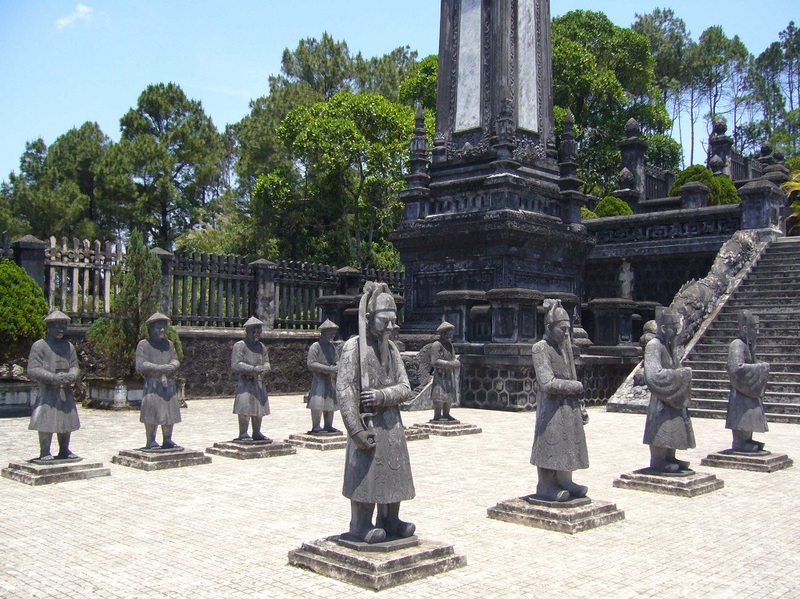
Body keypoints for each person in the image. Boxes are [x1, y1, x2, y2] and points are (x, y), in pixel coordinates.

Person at [337, 282, 415, 544]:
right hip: (366, 424)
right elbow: (345, 390)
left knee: (394, 471)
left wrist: (382, 395)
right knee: (366, 474)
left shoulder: (393, 350)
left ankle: (390, 518)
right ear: (370, 318)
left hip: (391, 424)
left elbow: (405, 387)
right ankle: (359, 523)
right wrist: (355, 429)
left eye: (394, 321)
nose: (391, 327)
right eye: (385, 320)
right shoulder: (353, 347)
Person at [530, 299, 589, 502]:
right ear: (549, 327)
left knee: (568, 443)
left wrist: (580, 405)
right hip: (551, 407)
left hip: (568, 406)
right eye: (562, 329)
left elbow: (570, 374)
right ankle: (546, 485)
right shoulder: (540, 348)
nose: (566, 334)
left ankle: (566, 480)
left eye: (568, 329)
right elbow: (547, 382)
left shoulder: (564, 347)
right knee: (550, 443)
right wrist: (574, 387)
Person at [642, 308, 695, 473]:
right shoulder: (654, 346)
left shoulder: (669, 345)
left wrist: (679, 376)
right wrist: (681, 375)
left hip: (673, 395)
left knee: (674, 425)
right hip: (660, 398)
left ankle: (670, 456)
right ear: (664, 328)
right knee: (661, 427)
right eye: (674, 327)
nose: (677, 331)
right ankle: (658, 460)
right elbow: (652, 375)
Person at [27, 310, 81, 461]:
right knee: (46, 419)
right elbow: (33, 369)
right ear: (49, 327)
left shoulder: (69, 346)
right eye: (57, 326)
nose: (61, 329)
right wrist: (52, 378)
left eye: (63, 326)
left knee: (66, 419)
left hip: (65, 389)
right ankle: (44, 451)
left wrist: (72, 375)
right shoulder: (39, 346)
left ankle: (64, 449)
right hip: (48, 389)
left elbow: (75, 365)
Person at [726, 310, 770, 453]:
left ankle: (747, 438)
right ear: (745, 328)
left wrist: (759, 366)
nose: (757, 332)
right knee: (742, 414)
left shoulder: (749, 345)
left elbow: (751, 363)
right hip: (740, 390)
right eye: (755, 328)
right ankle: (739, 441)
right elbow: (736, 369)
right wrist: (760, 368)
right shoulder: (737, 344)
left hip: (748, 390)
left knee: (750, 413)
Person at [136, 312, 181, 450]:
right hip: (153, 384)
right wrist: (159, 368)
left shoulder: (169, 344)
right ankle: (151, 440)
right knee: (152, 412)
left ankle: (168, 440)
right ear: (151, 328)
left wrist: (172, 366)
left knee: (169, 413)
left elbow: (175, 358)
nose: (162, 330)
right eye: (158, 327)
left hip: (168, 384)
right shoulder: (144, 345)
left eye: (164, 327)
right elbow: (141, 364)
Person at [231, 316, 272, 441]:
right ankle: (243, 433)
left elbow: (266, 361)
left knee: (259, 409)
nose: (257, 333)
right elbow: (236, 364)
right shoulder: (240, 346)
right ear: (247, 330)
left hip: (259, 381)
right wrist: (253, 369)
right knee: (244, 408)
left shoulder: (261, 346)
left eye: (259, 330)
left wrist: (265, 368)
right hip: (245, 382)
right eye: (254, 330)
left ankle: (257, 432)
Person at [306, 319, 340, 434]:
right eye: (330, 333)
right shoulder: (315, 346)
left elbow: (337, 360)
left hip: (330, 378)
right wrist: (327, 369)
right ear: (323, 332)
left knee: (330, 401)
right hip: (319, 378)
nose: (332, 336)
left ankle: (328, 425)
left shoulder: (331, 347)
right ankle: (316, 426)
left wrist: (337, 367)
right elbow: (311, 363)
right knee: (317, 400)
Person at [430, 321, 460, 421]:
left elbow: (453, 357)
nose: (451, 334)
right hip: (440, 374)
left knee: (450, 394)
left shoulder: (449, 345)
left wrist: (456, 362)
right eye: (449, 332)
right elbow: (435, 361)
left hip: (449, 374)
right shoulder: (436, 345)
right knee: (439, 394)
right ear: (443, 333)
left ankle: (446, 413)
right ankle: (437, 414)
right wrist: (450, 364)